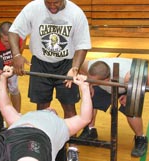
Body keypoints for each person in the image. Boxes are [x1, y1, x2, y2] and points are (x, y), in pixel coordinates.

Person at [0, 66, 93, 161]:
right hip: (4, 139)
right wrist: (3, 78)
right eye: (50, 108)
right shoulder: (20, 118)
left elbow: (85, 117)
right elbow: (5, 105)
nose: (51, 108)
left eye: (53, 110)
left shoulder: (64, 125)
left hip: (35, 138)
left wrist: (84, 88)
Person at [8, 0, 91, 159]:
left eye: (56, 3)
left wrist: (74, 68)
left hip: (66, 64)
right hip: (40, 64)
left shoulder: (76, 13)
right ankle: (42, 143)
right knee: (42, 107)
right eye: (49, 3)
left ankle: (72, 148)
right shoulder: (33, 8)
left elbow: (82, 44)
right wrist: (17, 55)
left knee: (69, 107)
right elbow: (14, 31)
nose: (52, 6)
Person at [78, 57, 149, 157]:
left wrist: (130, 95)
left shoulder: (127, 76)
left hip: (127, 86)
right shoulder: (89, 66)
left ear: (107, 79)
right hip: (103, 85)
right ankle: (90, 130)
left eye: (93, 81)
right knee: (89, 99)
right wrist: (89, 85)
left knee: (132, 109)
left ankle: (140, 138)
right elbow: (80, 66)